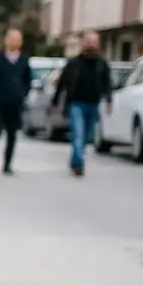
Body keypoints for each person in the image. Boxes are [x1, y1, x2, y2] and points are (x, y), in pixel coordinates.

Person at [52, 31, 115, 177]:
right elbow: (62, 83)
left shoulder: (102, 63)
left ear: (98, 44)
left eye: (94, 41)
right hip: (76, 103)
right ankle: (78, 163)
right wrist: (55, 102)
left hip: (93, 104)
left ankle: (76, 159)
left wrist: (109, 101)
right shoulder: (74, 63)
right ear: (83, 43)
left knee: (86, 137)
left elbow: (107, 84)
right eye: (88, 41)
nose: (91, 44)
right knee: (78, 133)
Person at [0, 29, 33, 174]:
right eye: (11, 38)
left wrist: (23, 93)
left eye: (17, 39)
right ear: (6, 40)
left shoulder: (24, 60)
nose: (14, 41)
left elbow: (28, 79)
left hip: (15, 102)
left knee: (12, 133)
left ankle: (7, 164)